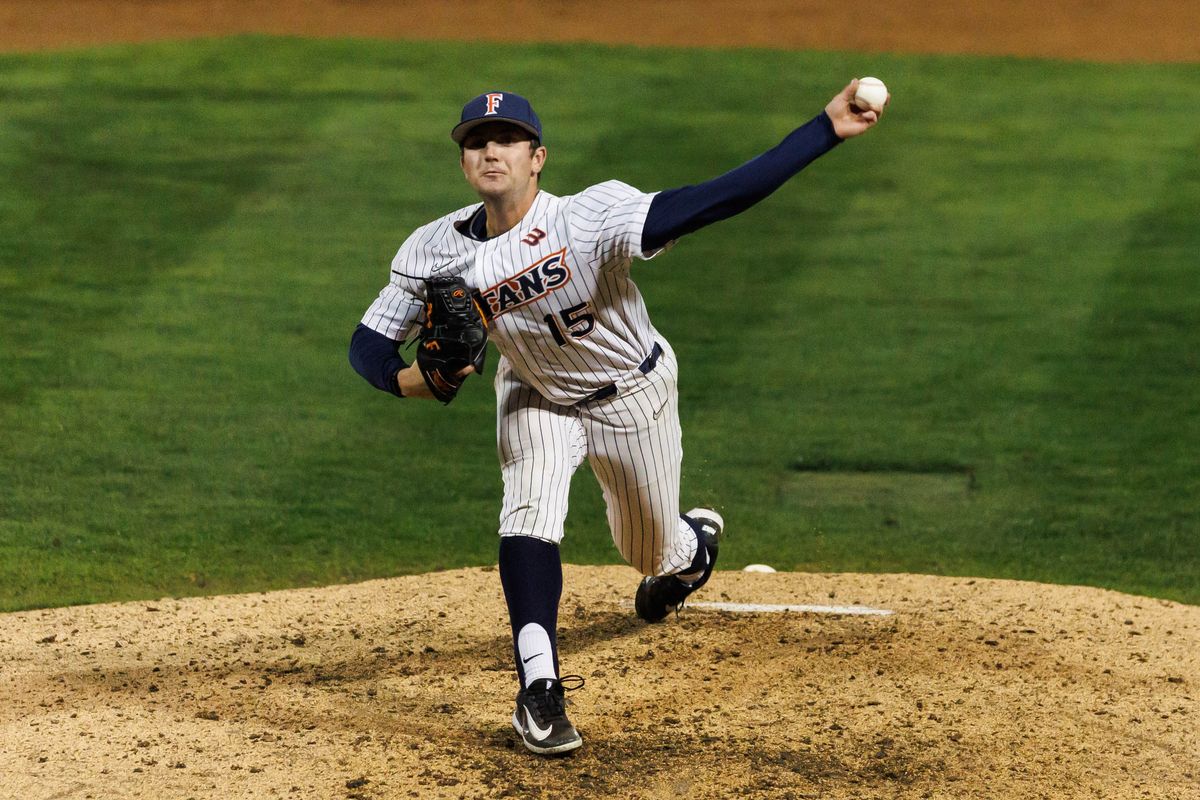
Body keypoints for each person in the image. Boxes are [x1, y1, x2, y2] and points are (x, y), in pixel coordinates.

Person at [349, 81, 885, 755]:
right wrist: (408, 381)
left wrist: (825, 129)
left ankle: (691, 554)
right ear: (463, 162)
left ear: (537, 157)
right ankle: (539, 693)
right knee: (528, 513)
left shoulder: (589, 217)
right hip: (534, 395)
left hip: (630, 395)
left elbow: (717, 198)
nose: (492, 153)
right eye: (478, 143)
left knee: (649, 552)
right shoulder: (433, 250)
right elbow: (368, 342)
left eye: (507, 140)